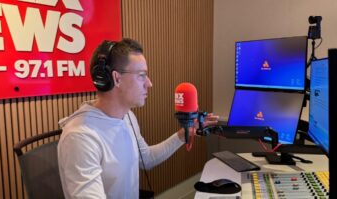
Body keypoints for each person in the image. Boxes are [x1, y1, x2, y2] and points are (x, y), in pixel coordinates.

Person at [57, 38, 219, 198]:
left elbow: (146, 159)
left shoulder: (127, 116)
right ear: (116, 78)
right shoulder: (80, 137)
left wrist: (184, 134)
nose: (149, 83)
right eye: (142, 75)